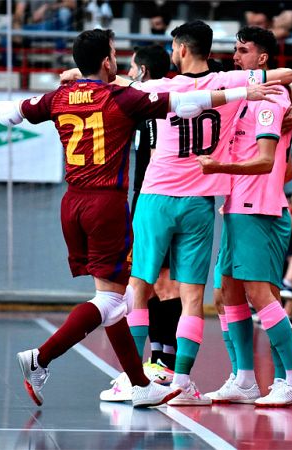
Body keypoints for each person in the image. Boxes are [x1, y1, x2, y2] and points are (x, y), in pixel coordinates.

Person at [0, 28, 284, 408]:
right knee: (113, 301)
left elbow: (9, 113)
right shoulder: (122, 97)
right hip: (108, 204)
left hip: (72, 204)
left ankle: (138, 383)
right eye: (113, 52)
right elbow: (188, 102)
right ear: (107, 61)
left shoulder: (60, 96)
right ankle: (41, 358)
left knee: (119, 298)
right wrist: (242, 93)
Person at [59, 21, 292, 406]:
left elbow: (114, 85)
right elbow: (286, 76)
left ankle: (133, 380)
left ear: (182, 49)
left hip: (156, 196)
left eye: (173, 46)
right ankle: (182, 382)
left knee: (138, 287)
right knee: (192, 297)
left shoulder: (159, 88)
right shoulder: (228, 86)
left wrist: (77, 73)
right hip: (200, 201)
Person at [197, 25, 292, 407]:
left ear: (262, 59)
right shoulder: (248, 95)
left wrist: (217, 168)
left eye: (243, 50)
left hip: (258, 207)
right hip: (237, 205)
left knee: (261, 294)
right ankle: (245, 378)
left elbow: (265, 161)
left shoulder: (268, 99)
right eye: (235, 49)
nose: (235, 56)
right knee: (227, 290)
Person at [99, 44, 180, 403]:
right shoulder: (150, 99)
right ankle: (157, 363)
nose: (129, 74)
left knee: (151, 282)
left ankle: (160, 364)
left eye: (133, 69)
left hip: (156, 198)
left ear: (143, 71)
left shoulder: (159, 100)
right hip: (152, 197)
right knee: (150, 282)